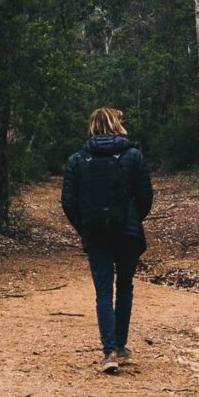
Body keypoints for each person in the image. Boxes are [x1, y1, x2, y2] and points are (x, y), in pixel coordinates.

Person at [61, 107, 153, 373]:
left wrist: (84, 227)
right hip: (128, 233)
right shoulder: (134, 156)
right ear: (117, 125)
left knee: (103, 291)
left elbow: (68, 201)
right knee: (124, 286)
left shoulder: (77, 160)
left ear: (92, 126)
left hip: (96, 233)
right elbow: (146, 195)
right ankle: (121, 345)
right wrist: (133, 218)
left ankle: (109, 351)